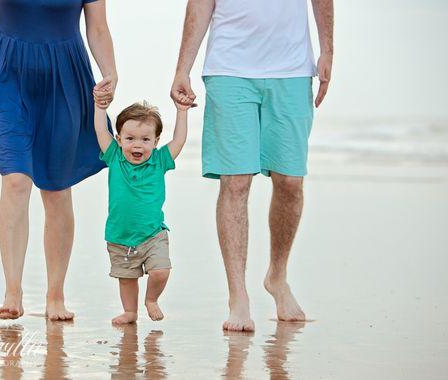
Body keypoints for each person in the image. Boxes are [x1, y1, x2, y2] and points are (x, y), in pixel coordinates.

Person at [171, 0, 334, 331]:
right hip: (229, 69)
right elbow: (200, 5)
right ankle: (238, 296)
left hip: (292, 70)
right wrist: (182, 68)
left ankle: (277, 275)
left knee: (290, 181)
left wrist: (328, 49)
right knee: (235, 181)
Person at [0, 0, 117, 320]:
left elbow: (97, 27)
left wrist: (110, 73)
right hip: (8, 74)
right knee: (16, 179)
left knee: (57, 190)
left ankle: (55, 295)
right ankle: (12, 291)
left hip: (66, 77)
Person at [93, 97, 193, 324]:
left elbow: (179, 139)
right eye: (130, 139)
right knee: (126, 278)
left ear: (156, 141)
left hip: (153, 234)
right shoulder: (115, 158)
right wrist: (100, 107)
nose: (137, 145)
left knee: (161, 270)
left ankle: (151, 299)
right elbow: (100, 129)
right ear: (118, 139)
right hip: (120, 236)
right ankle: (130, 312)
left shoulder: (160, 161)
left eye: (145, 139)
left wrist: (182, 111)